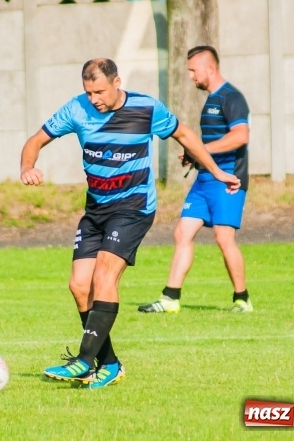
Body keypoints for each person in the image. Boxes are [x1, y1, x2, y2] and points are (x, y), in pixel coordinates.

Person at [20, 57, 240, 389]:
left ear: (117, 82)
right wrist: (27, 166)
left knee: (105, 274)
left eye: (99, 91)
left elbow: (185, 135)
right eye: (88, 92)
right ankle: (109, 363)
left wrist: (217, 171)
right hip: (96, 210)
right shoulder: (76, 110)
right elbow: (35, 141)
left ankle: (83, 360)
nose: (94, 99)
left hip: (134, 208)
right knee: (80, 286)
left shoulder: (145, 108)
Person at [138, 45, 252, 314]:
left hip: (228, 180)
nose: (190, 76)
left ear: (209, 68)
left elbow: (240, 137)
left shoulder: (231, 98)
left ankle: (242, 299)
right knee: (182, 233)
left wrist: (200, 150)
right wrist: (195, 157)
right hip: (204, 179)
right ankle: (170, 298)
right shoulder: (211, 99)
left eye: (193, 70)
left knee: (224, 239)